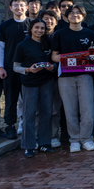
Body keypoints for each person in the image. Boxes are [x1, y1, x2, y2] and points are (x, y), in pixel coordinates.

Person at [51, 4, 94, 152]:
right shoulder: (59, 34)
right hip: (65, 77)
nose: (74, 15)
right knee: (70, 110)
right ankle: (75, 140)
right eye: (71, 13)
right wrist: (66, 59)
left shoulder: (90, 34)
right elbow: (54, 56)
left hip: (85, 76)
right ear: (66, 16)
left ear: (83, 16)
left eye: (78, 13)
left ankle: (86, 139)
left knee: (87, 110)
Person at [13, 19, 56, 157]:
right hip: (29, 82)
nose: (39, 30)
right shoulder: (22, 45)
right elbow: (15, 67)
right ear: (31, 29)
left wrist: (52, 67)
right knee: (29, 114)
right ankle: (29, 146)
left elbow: (54, 61)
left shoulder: (48, 43)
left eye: (42, 28)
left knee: (47, 113)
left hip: (46, 81)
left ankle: (44, 143)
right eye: (37, 27)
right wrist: (28, 70)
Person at [0, 0, 30, 139]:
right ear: (10, 8)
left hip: (29, 68)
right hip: (10, 68)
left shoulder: (33, 24)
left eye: (21, 5)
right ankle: (10, 126)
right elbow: (0, 47)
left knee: (29, 99)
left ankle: (27, 125)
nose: (18, 8)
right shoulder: (5, 25)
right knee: (11, 99)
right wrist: (1, 67)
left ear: (26, 7)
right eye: (15, 5)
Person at [39, 10, 63, 147]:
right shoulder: (36, 37)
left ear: (56, 21)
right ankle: (39, 136)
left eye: (51, 19)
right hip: (38, 78)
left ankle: (53, 136)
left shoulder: (59, 36)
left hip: (56, 78)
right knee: (38, 110)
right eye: (45, 19)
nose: (48, 21)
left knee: (55, 109)